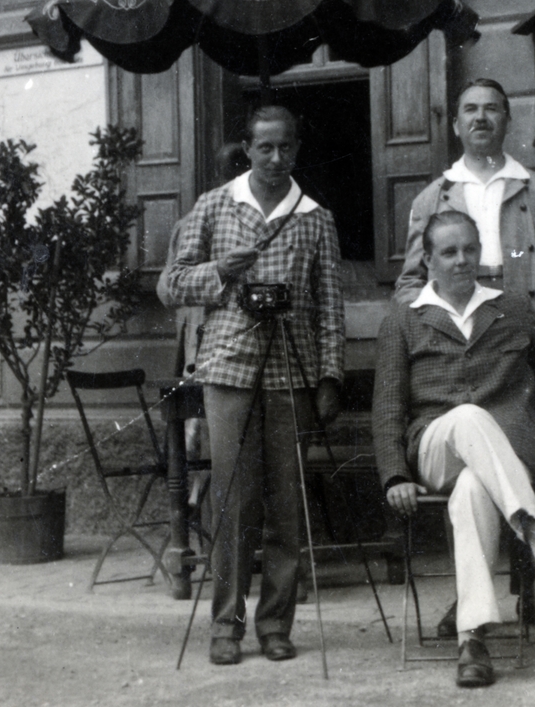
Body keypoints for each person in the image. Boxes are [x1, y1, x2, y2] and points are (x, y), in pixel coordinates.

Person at [160, 105, 345, 666]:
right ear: (247, 146)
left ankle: (275, 624)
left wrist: (330, 376)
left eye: (285, 147)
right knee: (234, 502)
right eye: (264, 147)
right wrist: (220, 272)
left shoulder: (315, 217)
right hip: (228, 369)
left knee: (287, 504)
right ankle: (227, 625)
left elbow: (330, 308)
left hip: (293, 372)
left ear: (297, 149)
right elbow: (170, 285)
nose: (275, 158)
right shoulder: (216, 205)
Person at [373, 210, 535, 688]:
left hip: (497, 464)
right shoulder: (404, 318)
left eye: (470, 250)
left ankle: (471, 639)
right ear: (429, 260)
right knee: (468, 416)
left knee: (475, 490)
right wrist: (395, 474)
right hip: (435, 449)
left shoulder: (511, 308)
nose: (462, 261)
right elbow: (388, 405)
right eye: (449, 252)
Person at [394, 79, 535, 320]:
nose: (480, 117)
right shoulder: (431, 198)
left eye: (490, 108)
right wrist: (426, 323)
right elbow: (411, 280)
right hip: (458, 316)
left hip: (527, 315)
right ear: (457, 126)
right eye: (470, 109)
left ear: (507, 122)